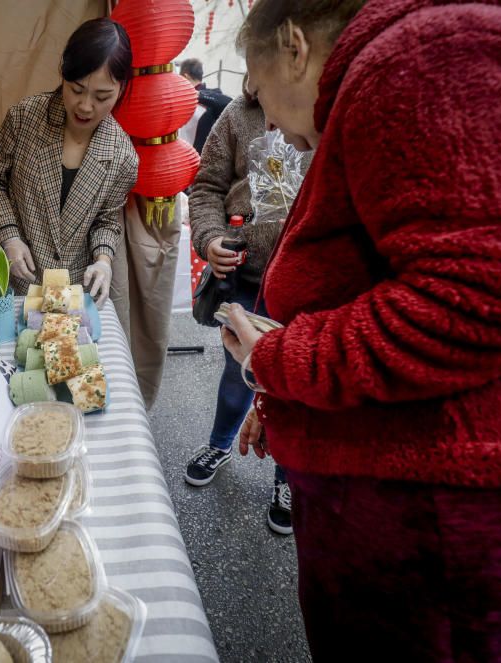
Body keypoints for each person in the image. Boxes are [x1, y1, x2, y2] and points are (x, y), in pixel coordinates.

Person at [222, 0, 501, 659]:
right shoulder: (404, 63)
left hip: (448, 523)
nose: (267, 117)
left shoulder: (419, 59)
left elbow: (500, 286)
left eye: (258, 83)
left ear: (296, 47)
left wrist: (282, 357)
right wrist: (292, 399)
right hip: (437, 495)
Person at [184, 84, 311, 537]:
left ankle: (288, 477)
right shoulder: (238, 114)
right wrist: (210, 238)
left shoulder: (325, 115)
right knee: (239, 371)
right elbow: (207, 186)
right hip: (246, 276)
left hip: (307, 285)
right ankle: (220, 443)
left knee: (295, 381)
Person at [0, 18, 138, 307]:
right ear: (63, 72)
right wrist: (10, 238)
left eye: (102, 96)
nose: (86, 106)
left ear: (122, 88)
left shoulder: (123, 155)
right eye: (77, 89)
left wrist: (103, 261)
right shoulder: (25, 118)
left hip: (68, 286)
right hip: (10, 274)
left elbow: (106, 220)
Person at [178, 58, 232, 155]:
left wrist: (198, 95)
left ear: (185, 77)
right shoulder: (178, 100)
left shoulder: (212, 96)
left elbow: (230, 103)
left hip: (203, 158)